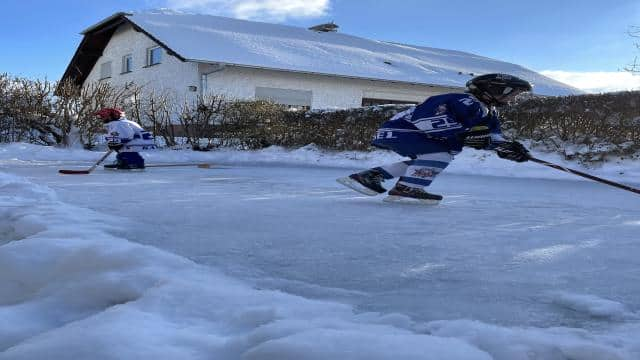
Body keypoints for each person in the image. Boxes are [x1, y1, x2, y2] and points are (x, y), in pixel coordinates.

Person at [337, 73, 532, 204]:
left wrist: (507, 148)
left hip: (406, 134)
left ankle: (369, 176)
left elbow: (490, 137)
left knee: (428, 160)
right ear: (496, 89)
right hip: (403, 132)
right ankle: (407, 188)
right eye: (512, 93)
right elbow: (426, 119)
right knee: (441, 156)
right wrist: (466, 135)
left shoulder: (489, 112)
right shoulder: (463, 100)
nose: (513, 99)